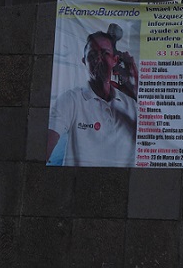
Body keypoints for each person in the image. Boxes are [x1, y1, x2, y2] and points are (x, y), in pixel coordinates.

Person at [47, 27, 138, 166]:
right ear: (84, 61)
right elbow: (47, 143)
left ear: (115, 60)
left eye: (105, 53)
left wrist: (136, 86)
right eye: (92, 55)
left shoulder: (132, 104)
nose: (98, 59)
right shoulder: (71, 100)